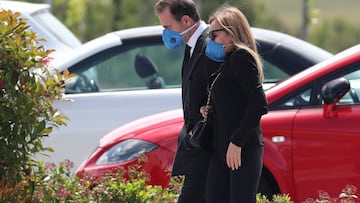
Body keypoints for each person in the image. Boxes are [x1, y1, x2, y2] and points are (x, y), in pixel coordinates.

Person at [200, 5, 269, 203]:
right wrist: (211, 110)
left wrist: (237, 142)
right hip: (221, 147)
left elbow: (259, 104)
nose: (211, 40)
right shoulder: (227, 61)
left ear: (231, 33)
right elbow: (234, 101)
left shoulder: (241, 57)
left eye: (215, 34)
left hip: (241, 148)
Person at [154, 1, 221, 203]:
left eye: (167, 27)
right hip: (198, 145)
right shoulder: (191, 46)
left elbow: (220, 90)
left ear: (185, 20)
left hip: (208, 146)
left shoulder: (209, 46)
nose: (165, 33)